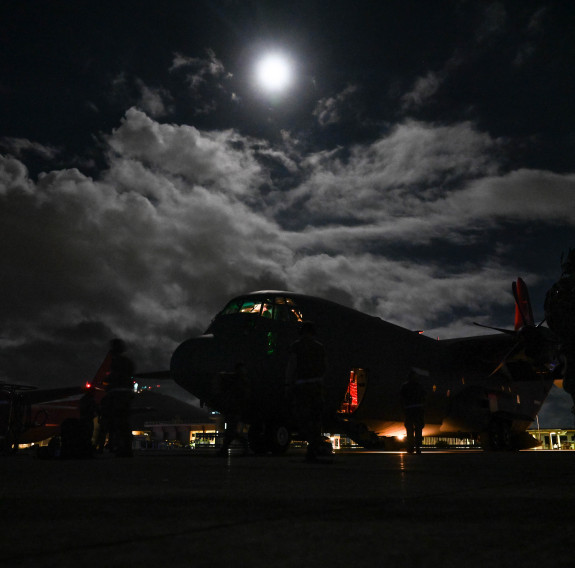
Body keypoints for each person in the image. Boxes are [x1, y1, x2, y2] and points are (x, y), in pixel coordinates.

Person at [286, 322, 327, 462]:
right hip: (316, 386)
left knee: (303, 418)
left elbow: (292, 365)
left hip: (301, 386)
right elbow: (324, 368)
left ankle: (312, 446)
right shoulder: (319, 347)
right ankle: (313, 448)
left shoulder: (296, 346)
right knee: (316, 419)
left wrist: (288, 384)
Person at [100, 339, 135, 457]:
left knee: (118, 423)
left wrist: (107, 382)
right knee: (124, 422)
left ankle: (121, 447)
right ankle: (125, 447)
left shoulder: (116, 363)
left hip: (117, 396)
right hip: (125, 395)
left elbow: (114, 378)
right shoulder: (128, 362)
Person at [218, 362, 250, 456]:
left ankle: (225, 449)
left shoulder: (239, 381)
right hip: (235, 408)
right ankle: (227, 449)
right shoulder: (242, 380)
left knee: (231, 431)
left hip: (234, 409)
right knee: (231, 431)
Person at [400, 369, 427, 454]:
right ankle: (418, 447)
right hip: (418, 409)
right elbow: (424, 396)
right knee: (418, 429)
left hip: (408, 410)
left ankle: (410, 447)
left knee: (409, 430)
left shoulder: (405, 386)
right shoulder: (420, 386)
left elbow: (401, 398)